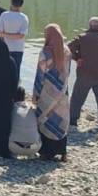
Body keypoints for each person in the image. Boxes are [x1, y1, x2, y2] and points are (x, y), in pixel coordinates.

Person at [34, 24, 71, 161]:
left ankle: (47, 152)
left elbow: (40, 74)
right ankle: (62, 152)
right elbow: (68, 73)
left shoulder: (45, 52)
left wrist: (36, 93)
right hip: (62, 92)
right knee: (61, 121)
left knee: (46, 119)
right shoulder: (67, 51)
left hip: (47, 93)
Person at [0, 0, 29, 75]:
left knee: (4, 71)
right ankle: (15, 87)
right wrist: (13, 35)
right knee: (16, 71)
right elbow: (21, 35)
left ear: (11, 3)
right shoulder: (24, 17)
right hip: (18, 48)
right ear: (21, 5)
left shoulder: (4, 15)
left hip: (5, 48)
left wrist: (5, 35)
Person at [9, 87, 42, 159]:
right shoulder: (32, 108)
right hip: (34, 147)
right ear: (24, 96)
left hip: (14, 147)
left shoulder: (11, 108)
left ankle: (14, 153)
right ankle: (31, 154)